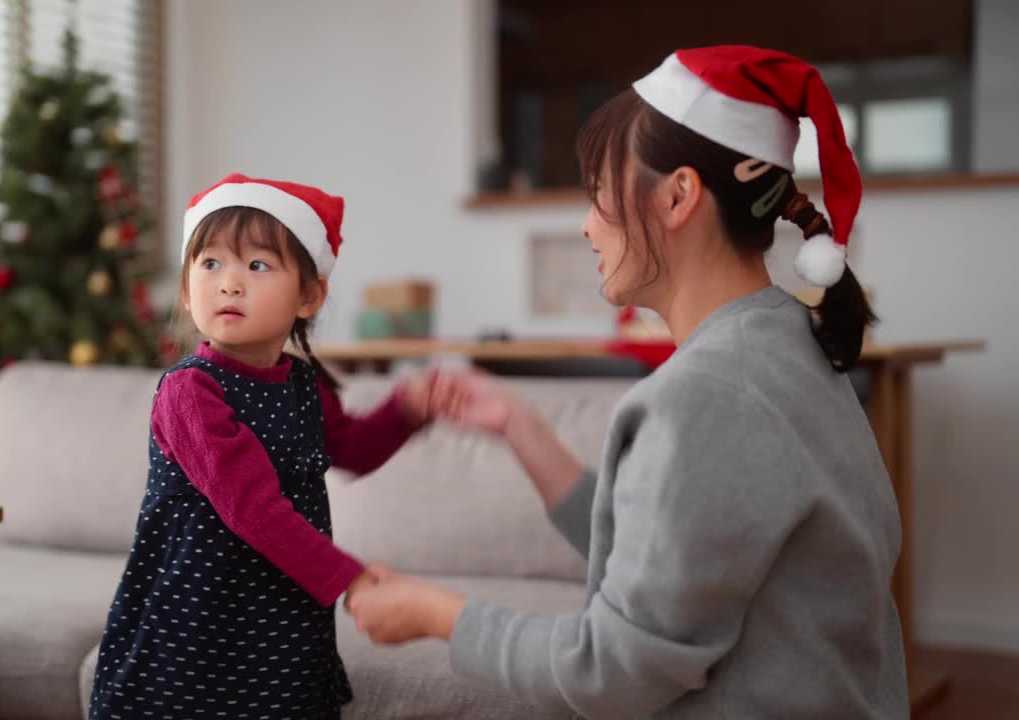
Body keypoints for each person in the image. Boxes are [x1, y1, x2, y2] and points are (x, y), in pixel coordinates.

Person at [347, 46, 909, 718]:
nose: (587, 225)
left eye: (598, 193)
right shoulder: (790, 344)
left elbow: (613, 671)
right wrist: (520, 428)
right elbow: (671, 560)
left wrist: (438, 615)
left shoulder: (710, 393)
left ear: (678, 196)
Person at [89, 173, 432, 720]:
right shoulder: (189, 392)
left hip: (281, 622)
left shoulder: (302, 384)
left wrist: (411, 408)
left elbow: (356, 447)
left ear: (309, 294)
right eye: (211, 264)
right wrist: (350, 576)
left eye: (256, 265)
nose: (230, 283)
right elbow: (251, 507)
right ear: (186, 290)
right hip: (195, 624)